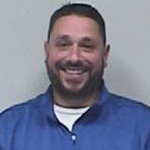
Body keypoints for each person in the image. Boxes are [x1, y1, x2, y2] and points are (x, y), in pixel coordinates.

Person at [0, 3, 150, 150]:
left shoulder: (143, 128)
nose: (74, 58)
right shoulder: (7, 129)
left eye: (87, 46)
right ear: (47, 51)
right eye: (64, 44)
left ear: (105, 55)